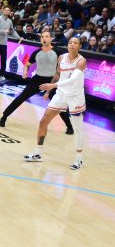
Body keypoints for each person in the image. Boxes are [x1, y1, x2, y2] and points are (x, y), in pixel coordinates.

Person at [23, 37, 87, 170]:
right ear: (67, 45)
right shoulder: (62, 57)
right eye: (70, 43)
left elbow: (72, 80)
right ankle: (38, 153)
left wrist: (52, 85)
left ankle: (79, 159)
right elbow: (58, 74)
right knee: (43, 121)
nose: (72, 45)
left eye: (75, 43)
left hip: (75, 96)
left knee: (77, 128)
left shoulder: (81, 61)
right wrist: (48, 91)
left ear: (79, 46)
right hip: (61, 94)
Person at [0, 30, 72, 132]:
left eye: (47, 36)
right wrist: (25, 72)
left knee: (58, 104)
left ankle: (69, 126)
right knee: (21, 98)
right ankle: (4, 117)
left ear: (51, 39)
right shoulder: (37, 52)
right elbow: (27, 64)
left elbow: (65, 64)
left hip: (51, 81)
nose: (44, 39)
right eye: (42, 37)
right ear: (40, 39)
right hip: (37, 79)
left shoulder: (58, 52)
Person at [0, 6, 22, 82]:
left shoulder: (9, 21)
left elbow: (12, 31)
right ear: (2, 11)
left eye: (8, 10)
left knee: (3, 60)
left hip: (3, 44)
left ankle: (2, 75)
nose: (6, 11)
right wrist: (3, 32)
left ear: (9, 12)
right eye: (5, 10)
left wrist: (19, 38)